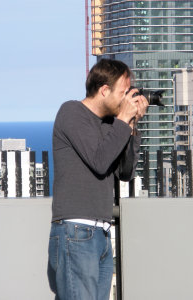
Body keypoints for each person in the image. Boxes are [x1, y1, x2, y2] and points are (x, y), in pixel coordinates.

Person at [47, 58, 148, 300]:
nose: (127, 100)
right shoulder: (71, 112)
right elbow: (100, 161)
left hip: (101, 234)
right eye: (124, 93)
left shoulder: (110, 124)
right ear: (104, 90)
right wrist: (123, 120)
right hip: (76, 230)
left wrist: (131, 125)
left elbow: (125, 172)